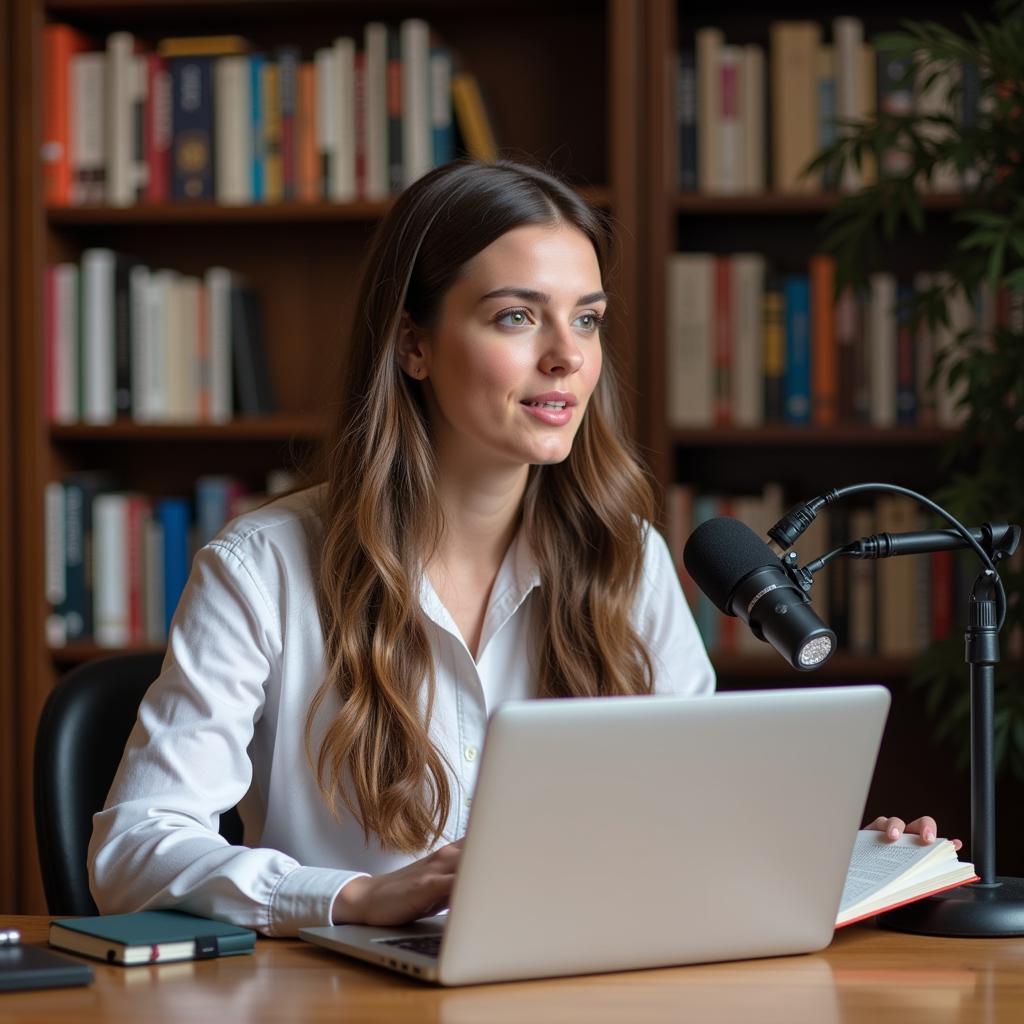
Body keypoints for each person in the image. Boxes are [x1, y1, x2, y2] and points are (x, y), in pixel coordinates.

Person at [88, 159, 954, 937]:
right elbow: (135, 847)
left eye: (587, 319)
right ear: (413, 344)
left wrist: (844, 854)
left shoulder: (629, 557)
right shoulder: (262, 567)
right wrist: (353, 895)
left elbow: (694, 819)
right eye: (516, 318)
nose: (567, 358)